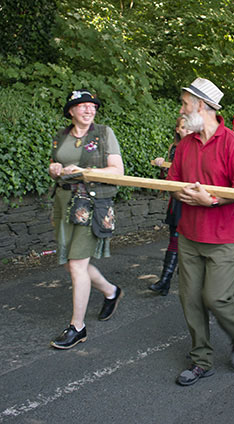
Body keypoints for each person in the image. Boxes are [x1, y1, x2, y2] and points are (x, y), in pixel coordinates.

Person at [167, 78, 234, 386]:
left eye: (185, 103)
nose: (181, 109)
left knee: (215, 298)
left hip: (223, 238)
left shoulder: (233, 144)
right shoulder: (185, 144)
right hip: (189, 235)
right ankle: (201, 359)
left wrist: (211, 200)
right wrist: (181, 194)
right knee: (190, 299)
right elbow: (173, 181)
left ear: (201, 106)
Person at [47, 89, 124, 349]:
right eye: (82, 106)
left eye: (92, 106)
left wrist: (84, 171)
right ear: (71, 111)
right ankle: (111, 291)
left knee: (77, 265)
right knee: (72, 264)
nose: (89, 110)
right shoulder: (61, 136)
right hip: (63, 203)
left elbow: (117, 171)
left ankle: (77, 327)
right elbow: (54, 164)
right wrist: (53, 169)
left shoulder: (104, 133)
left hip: (90, 205)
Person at [149, 116, 191, 295]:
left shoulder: (200, 149)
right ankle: (165, 281)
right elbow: (167, 181)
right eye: (183, 128)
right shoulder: (174, 148)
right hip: (177, 201)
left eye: (189, 127)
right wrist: (163, 166)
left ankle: (188, 280)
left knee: (191, 242)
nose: (186, 131)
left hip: (194, 200)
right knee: (174, 239)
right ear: (177, 130)